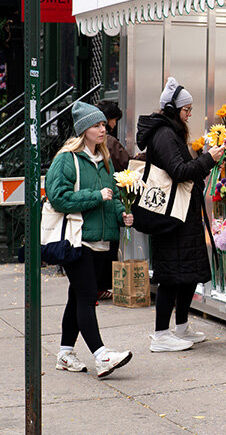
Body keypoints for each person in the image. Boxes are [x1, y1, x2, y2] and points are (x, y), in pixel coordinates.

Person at [45, 101, 135, 378]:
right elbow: (58, 197)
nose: (102, 129)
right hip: (77, 240)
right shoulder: (67, 159)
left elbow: (113, 197)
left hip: (101, 241)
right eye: (96, 125)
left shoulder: (104, 159)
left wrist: (122, 214)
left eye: (103, 124)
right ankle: (102, 356)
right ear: (83, 130)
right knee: (86, 297)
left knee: (77, 297)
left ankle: (65, 354)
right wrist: (95, 197)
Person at [136, 77, 224, 352]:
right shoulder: (164, 135)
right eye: (186, 110)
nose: (189, 114)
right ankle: (161, 335)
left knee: (188, 273)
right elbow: (178, 171)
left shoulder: (170, 132)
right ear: (172, 109)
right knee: (171, 276)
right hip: (172, 216)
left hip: (183, 214)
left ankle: (182, 327)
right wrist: (208, 159)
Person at [95, 99, 131, 301]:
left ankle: (97, 287)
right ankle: (101, 286)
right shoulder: (109, 142)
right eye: (114, 120)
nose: (114, 124)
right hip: (108, 198)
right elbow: (126, 163)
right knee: (108, 245)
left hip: (100, 200)